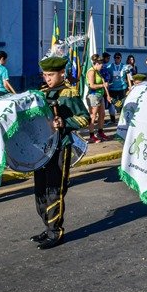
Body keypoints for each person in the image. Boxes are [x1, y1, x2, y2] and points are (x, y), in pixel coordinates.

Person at [30, 56, 90, 250]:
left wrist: (65, 122)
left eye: (50, 75)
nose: (47, 78)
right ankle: (48, 226)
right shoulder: (41, 92)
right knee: (40, 190)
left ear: (61, 73)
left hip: (60, 146)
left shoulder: (69, 94)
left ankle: (55, 231)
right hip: (41, 148)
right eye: (45, 75)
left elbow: (84, 119)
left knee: (54, 189)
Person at [85, 54, 111, 143]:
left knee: (102, 114)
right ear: (96, 64)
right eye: (100, 64)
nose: (101, 66)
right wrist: (102, 85)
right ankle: (91, 135)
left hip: (100, 95)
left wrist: (107, 95)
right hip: (93, 95)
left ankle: (100, 132)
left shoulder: (98, 72)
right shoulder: (91, 71)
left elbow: (104, 82)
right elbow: (91, 85)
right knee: (93, 116)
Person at [107, 52, 128, 124]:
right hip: (113, 88)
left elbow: (128, 76)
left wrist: (130, 87)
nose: (117, 59)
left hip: (122, 88)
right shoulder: (110, 66)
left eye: (118, 58)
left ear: (121, 58)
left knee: (122, 104)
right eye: (115, 58)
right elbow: (107, 76)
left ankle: (122, 119)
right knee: (112, 104)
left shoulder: (124, 66)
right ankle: (112, 120)